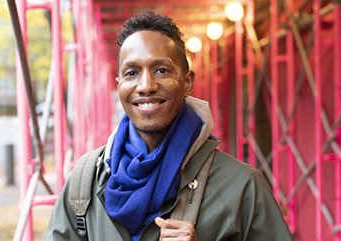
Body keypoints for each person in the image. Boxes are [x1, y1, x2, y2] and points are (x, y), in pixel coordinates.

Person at [44, 10, 293, 241]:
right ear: (119, 84)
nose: (145, 86)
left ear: (187, 81)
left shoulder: (243, 189)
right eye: (131, 73)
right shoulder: (85, 180)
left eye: (161, 70)